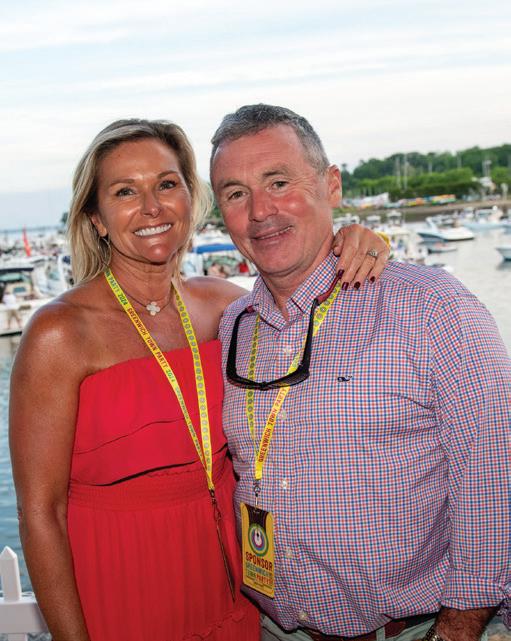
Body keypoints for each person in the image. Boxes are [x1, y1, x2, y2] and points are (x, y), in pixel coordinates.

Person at [9, 118, 388, 641]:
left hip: (236, 587)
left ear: (191, 198)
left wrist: (355, 240)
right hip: (124, 594)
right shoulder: (59, 334)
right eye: (125, 192)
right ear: (96, 218)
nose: (152, 207)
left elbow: (308, 296)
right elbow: (40, 513)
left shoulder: (225, 307)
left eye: (167, 184)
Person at [211, 104, 511, 641]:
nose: (260, 211)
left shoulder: (431, 308)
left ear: (331, 185)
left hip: (418, 629)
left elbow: (494, 477)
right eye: (236, 193)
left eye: (279, 182)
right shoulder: (235, 324)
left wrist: (457, 630)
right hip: (278, 628)